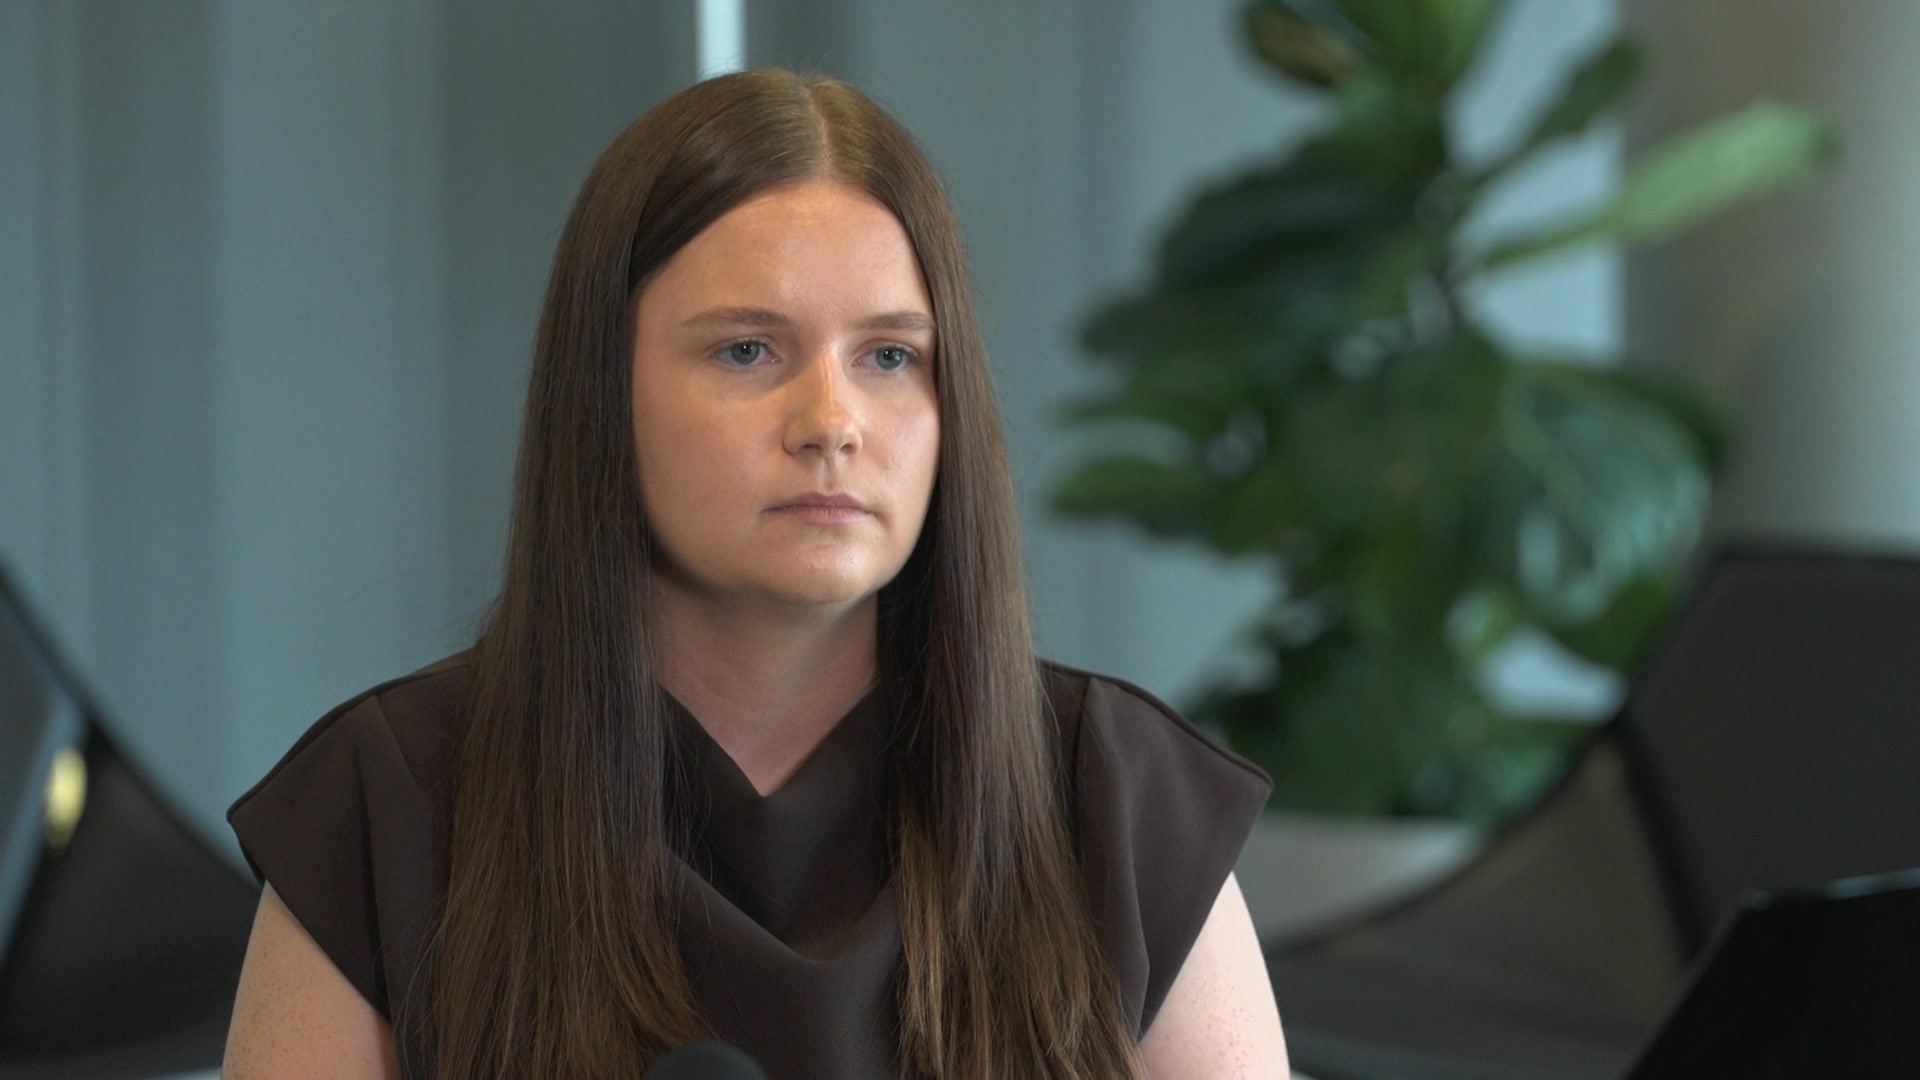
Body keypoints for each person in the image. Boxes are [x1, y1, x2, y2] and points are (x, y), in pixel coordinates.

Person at [221, 68, 1286, 1078]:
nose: (832, 423)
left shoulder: (1117, 805)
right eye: (747, 352)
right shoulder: (392, 808)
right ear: (601, 395)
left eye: (889, 357)